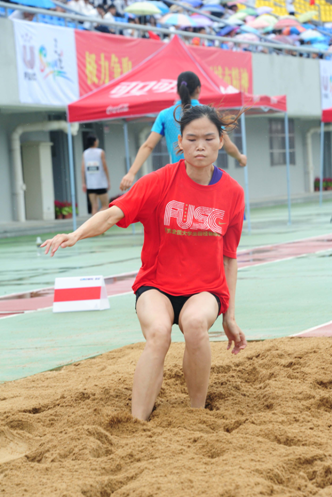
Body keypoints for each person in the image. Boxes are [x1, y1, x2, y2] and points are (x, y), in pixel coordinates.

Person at [42, 104, 247, 421]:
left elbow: (229, 258)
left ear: (221, 140)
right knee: (159, 334)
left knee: (194, 327)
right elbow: (112, 214)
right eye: (191, 139)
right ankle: (138, 422)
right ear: (179, 142)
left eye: (208, 138)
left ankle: (196, 415)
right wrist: (76, 234)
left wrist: (229, 316)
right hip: (157, 285)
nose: (200, 146)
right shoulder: (160, 181)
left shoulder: (232, 192)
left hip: (205, 289)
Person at [119, 71, 247, 191]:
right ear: (198, 89)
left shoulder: (166, 114)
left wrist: (131, 173)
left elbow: (148, 146)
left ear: (178, 90)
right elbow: (227, 145)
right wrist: (240, 157)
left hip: (178, 181)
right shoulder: (208, 114)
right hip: (206, 179)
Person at [81, 134, 111, 216]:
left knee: (94, 207)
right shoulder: (100, 152)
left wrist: (83, 183)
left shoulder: (85, 153)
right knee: (105, 205)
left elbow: (82, 169)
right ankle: (98, 220)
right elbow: (105, 167)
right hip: (100, 183)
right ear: (95, 141)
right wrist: (108, 181)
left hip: (90, 184)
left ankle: (93, 225)